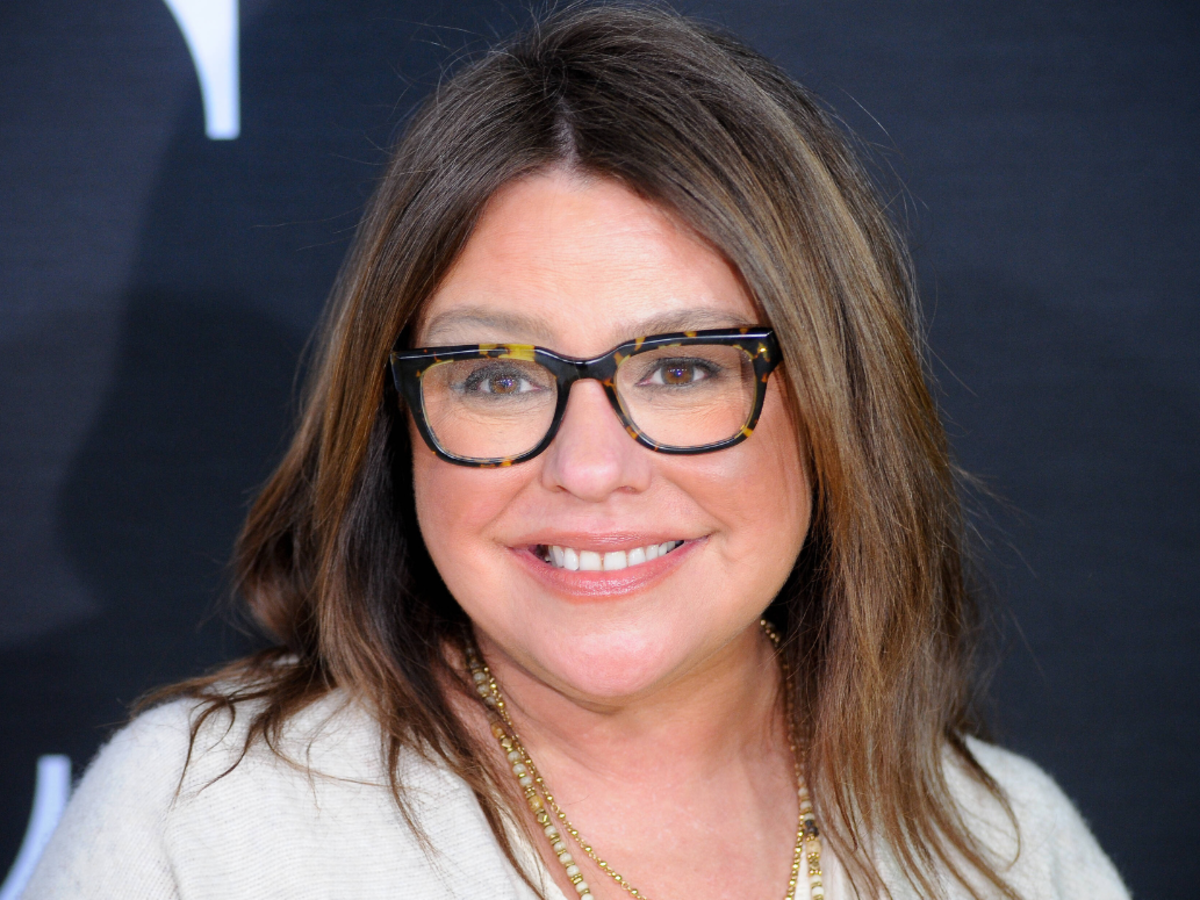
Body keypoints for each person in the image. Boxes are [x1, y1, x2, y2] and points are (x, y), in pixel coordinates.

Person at [23, 5, 1129, 899]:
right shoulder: (199, 822)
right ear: (395, 420)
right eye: (498, 378)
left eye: (684, 369)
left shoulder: (1007, 845)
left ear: (838, 406)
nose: (590, 470)